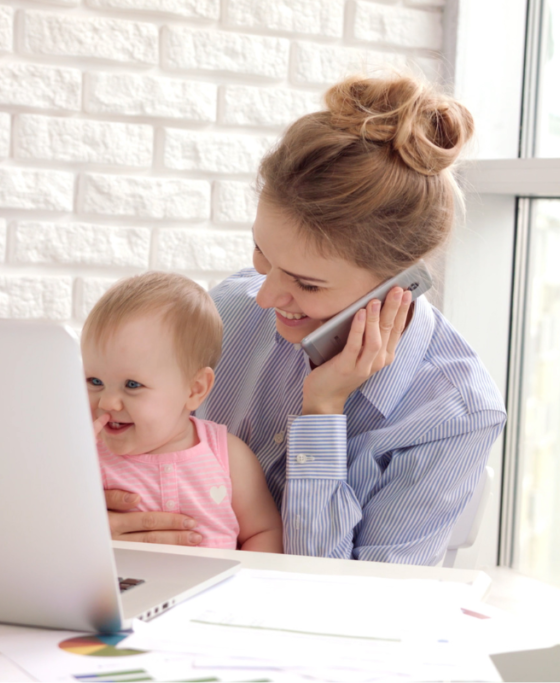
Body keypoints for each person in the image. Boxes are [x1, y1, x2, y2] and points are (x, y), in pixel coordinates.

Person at [105, 74, 506, 565]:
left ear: (398, 283)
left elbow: (341, 599)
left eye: (307, 284)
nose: (267, 296)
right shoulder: (229, 309)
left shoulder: (452, 413)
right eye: (261, 253)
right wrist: (94, 516)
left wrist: (323, 411)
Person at [83, 271, 282, 553]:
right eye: (95, 382)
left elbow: (263, 531)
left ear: (194, 390)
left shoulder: (228, 457)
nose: (107, 403)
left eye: (132, 385)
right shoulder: (84, 457)